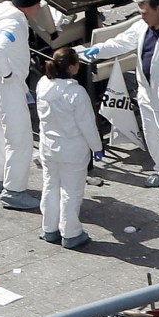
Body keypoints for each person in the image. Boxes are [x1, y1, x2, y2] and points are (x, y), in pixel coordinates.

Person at [81, 0, 159, 203]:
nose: (141, 16)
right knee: (151, 134)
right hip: (147, 93)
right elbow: (122, 42)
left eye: (144, 12)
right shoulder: (143, 27)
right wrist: (99, 49)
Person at [0, 0, 44, 210]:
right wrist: (8, 75)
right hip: (6, 86)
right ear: (31, 5)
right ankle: (14, 191)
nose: (38, 10)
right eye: (38, 5)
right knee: (20, 140)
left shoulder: (0, 11)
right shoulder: (15, 22)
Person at [37, 47, 103, 249]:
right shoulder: (76, 93)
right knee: (71, 192)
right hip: (72, 149)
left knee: (50, 185)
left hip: (48, 146)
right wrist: (97, 147)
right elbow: (88, 125)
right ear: (73, 67)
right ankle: (71, 233)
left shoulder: (42, 85)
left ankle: (49, 228)